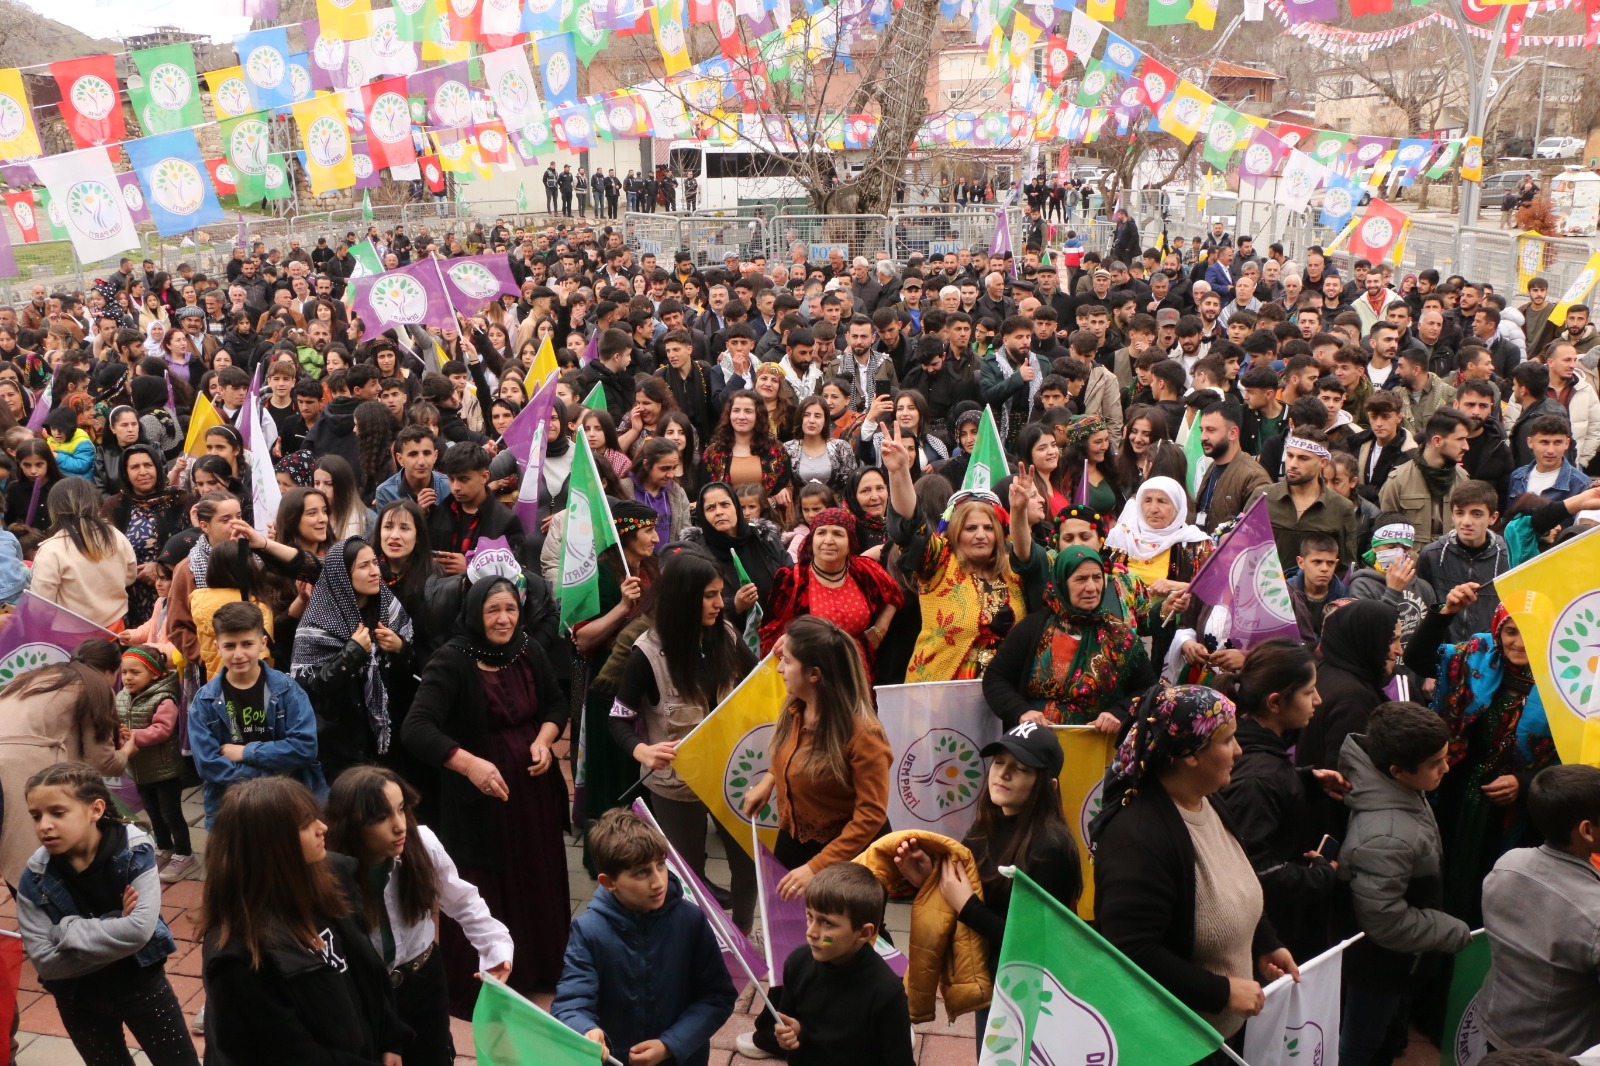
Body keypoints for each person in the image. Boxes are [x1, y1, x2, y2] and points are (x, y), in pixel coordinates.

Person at [1091, 683, 1297, 1047]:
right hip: (1173, 1045)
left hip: (1215, 1038)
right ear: (1190, 753)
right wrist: (1220, 992)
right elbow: (1131, 951)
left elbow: (1231, 881)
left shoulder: (1210, 801)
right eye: (1227, 740)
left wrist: (1264, 941)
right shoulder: (1138, 838)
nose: (1239, 750)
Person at [403, 575, 571, 1004]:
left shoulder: (528, 650)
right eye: (493, 610)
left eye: (511, 609)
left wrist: (545, 739)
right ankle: (485, 978)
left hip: (533, 795)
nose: (503, 618)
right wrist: (469, 763)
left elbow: (557, 703)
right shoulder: (452, 660)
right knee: (486, 883)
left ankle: (540, 968)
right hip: (480, 803)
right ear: (476, 612)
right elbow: (417, 729)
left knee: (537, 873)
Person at [197, 776, 410, 1066]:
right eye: (305, 824)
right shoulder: (239, 958)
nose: (323, 828)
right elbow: (287, 1056)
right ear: (271, 847)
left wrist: (390, 1039)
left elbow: (367, 971)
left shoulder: (331, 877)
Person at [891, 721, 1082, 1035]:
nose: (1002, 774)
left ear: (1048, 785)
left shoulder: (1051, 848)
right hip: (990, 981)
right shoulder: (984, 829)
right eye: (999, 763)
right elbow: (970, 900)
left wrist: (966, 906)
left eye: (1020, 768)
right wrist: (928, 880)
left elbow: (1036, 945)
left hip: (1029, 994)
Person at [324, 766, 513, 1066]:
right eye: (382, 816)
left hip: (423, 980)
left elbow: (463, 900)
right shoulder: (329, 874)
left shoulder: (421, 844)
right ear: (352, 823)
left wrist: (495, 948)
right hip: (367, 996)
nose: (399, 825)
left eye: (401, 809)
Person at [609, 550, 758, 929]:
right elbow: (618, 719)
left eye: (720, 593)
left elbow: (758, 683)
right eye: (709, 595)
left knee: (749, 863)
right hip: (677, 785)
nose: (719, 603)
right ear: (683, 597)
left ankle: (742, 935)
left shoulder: (725, 633)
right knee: (686, 874)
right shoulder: (646, 652)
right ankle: (697, 937)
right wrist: (642, 749)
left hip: (732, 777)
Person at [15, 762, 196, 1066]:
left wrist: (66, 931)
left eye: (57, 813)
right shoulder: (35, 878)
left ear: (95, 810)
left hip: (142, 985)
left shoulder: (134, 851)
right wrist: (115, 924)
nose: (44, 824)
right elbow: (47, 963)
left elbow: (139, 932)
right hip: (79, 1000)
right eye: (36, 815)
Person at [1405, 592, 1559, 924]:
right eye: (1511, 631)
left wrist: (1524, 783)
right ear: (1497, 631)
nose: (1519, 643)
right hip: (1456, 795)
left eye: (1530, 632)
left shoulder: (1564, 682)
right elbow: (1417, 658)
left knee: (1494, 889)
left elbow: (1575, 758)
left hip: (1519, 813)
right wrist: (1446, 612)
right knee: (1447, 876)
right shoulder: (1476, 658)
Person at [1338, 702, 1471, 1066]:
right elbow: (1383, 919)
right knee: (1360, 1044)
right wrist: (1448, 929)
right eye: (1436, 763)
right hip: (1381, 967)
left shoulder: (1397, 788)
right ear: (1397, 770)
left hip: (1400, 960)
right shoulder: (1388, 834)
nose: (1446, 767)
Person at [553, 807, 736, 1066]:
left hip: (682, 1058)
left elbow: (718, 996)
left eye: (660, 864)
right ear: (608, 882)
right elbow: (570, 1002)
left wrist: (671, 1044)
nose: (658, 882)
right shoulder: (589, 931)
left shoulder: (691, 920)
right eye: (641, 872)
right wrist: (585, 1030)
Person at [740, 616, 892, 893]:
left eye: (787, 661)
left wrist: (816, 867)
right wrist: (768, 781)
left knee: (841, 935)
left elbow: (871, 815)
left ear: (814, 674)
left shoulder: (864, 734)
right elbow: (791, 755)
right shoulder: (796, 707)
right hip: (792, 841)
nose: (780, 669)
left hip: (846, 860)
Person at [1214, 640, 1342, 961]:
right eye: (1308, 691)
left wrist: (1303, 780)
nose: (1318, 700)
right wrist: (1319, 875)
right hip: (1264, 936)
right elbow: (1253, 868)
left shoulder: (1254, 748)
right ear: (1275, 702)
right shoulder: (1260, 775)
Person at [885, 433, 1041, 681]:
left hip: (1002, 692)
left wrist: (1019, 511)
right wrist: (900, 472)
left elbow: (1029, 553)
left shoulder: (1013, 570)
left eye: (988, 528)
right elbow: (910, 526)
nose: (981, 535)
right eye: (971, 528)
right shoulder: (937, 561)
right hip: (942, 692)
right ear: (956, 533)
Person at [1476, 764, 1600, 1058]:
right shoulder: (1595, 913)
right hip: (1553, 1051)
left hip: (1498, 1024)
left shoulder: (1508, 862)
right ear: (1586, 831)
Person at [757, 862, 915, 1066]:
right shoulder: (797, 963)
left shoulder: (886, 991)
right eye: (809, 916)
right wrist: (795, 1032)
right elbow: (792, 1021)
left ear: (864, 932)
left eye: (827, 923)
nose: (811, 932)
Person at [187, 601, 326, 829]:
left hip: (287, 804)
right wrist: (273, 775)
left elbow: (304, 747)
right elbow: (209, 765)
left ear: (262, 643)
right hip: (234, 808)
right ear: (217, 646)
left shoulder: (288, 691)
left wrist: (246, 752)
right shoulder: (204, 702)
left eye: (247, 644)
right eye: (230, 646)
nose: (239, 654)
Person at [982, 545, 1152, 731]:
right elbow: (996, 678)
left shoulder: (1120, 636)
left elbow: (1148, 689)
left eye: (1097, 577)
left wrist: (1118, 713)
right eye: (1080, 579)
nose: (1091, 587)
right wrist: (1020, 712)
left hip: (1094, 746)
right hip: (1034, 744)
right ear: (1061, 582)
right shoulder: (1033, 628)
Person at [0, 661, 128, 889]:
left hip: (11, 770)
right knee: (36, 871)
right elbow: (103, 762)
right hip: (18, 773)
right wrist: (128, 750)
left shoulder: (28, 681)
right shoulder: (95, 687)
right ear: (109, 671)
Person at [759, 507, 903, 671]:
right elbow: (771, 634)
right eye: (821, 533)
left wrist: (879, 630)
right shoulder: (793, 579)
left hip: (858, 672)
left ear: (851, 542)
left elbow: (894, 594)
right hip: (811, 675)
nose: (828, 540)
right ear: (811, 540)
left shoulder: (863, 571)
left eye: (838, 534)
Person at [1104, 476, 1213, 667]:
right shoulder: (1120, 536)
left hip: (1172, 635)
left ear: (1178, 507)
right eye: (1147, 500)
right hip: (1121, 632)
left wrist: (1179, 586)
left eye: (1162, 501)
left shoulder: (1196, 543)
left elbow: (1214, 592)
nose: (1153, 508)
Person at [114, 646, 195, 883]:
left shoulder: (164, 699)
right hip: (139, 769)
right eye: (125, 672)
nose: (128, 677)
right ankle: (164, 847)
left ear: (154, 673)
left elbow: (162, 730)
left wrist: (133, 736)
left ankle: (185, 854)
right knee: (153, 812)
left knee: (171, 814)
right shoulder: (121, 697)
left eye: (135, 672)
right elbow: (118, 726)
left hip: (165, 769)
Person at [1294, 599, 1401, 777]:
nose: (1399, 650)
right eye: (1391, 640)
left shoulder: (1325, 669)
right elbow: (1348, 778)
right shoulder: (1353, 700)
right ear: (1366, 639)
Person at [30, 478, 137, 630]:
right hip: (115, 629)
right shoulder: (114, 535)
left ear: (53, 509)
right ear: (94, 503)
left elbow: (39, 608)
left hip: (70, 639)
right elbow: (130, 575)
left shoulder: (51, 550)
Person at [682, 481, 789, 633]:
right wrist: (735, 605)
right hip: (725, 640)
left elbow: (791, 578)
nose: (719, 512)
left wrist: (777, 616)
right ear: (702, 514)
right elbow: (691, 604)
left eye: (725, 504)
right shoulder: (696, 552)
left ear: (736, 507)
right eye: (710, 508)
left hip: (774, 635)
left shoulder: (764, 538)